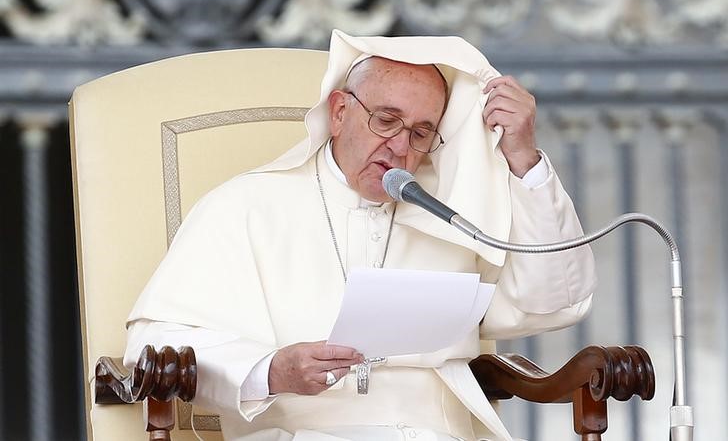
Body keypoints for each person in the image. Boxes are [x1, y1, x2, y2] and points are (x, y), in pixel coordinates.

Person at [124, 30, 597, 441]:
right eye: (386, 120)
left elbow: (554, 300)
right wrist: (271, 370)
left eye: (420, 133)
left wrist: (523, 159)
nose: (399, 147)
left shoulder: (449, 212)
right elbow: (154, 347)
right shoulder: (245, 205)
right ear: (339, 112)